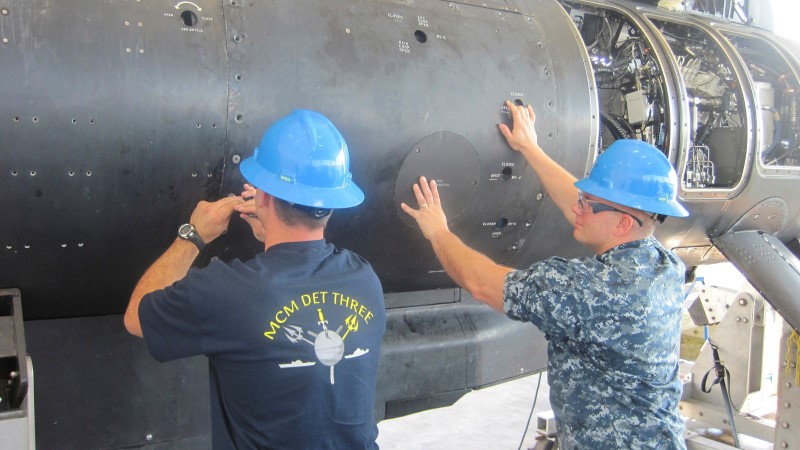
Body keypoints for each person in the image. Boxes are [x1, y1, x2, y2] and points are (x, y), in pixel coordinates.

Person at [401, 101, 689, 449]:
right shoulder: (662, 264)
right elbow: (595, 210)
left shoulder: (588, 291)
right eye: (583, 197)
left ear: (623, 223)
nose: (577, 207)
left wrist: (438, 232)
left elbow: (484, 284)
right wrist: (531, 148)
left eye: (589, 204)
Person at [125, 109, 386, 449]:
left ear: (263, 196)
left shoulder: (226, 291)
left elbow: (136, 317)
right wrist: (271, 232)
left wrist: (194, 236)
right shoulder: (364, 278)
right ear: (332, 203)